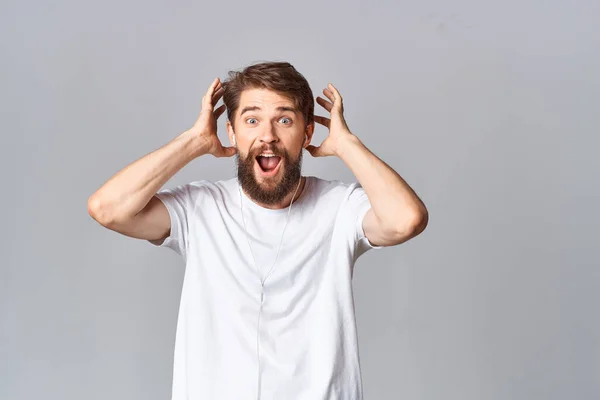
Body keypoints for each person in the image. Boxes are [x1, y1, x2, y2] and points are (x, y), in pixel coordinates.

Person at [88, 61, 428, 400]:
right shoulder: (200, 207)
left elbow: (406, 220)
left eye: (284, 120)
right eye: (252, 120)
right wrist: (194, 140)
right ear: (232, 133)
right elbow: (108, 209)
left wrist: (347, 144)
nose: (267, 135)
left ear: (307, 133)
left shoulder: (340, 208)